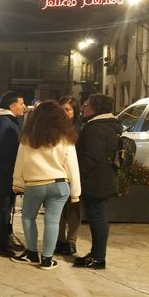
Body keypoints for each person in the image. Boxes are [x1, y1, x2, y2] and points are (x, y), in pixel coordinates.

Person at [10, 101, 81, 270]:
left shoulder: (27, 137)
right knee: (52, 222)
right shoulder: (66, 138)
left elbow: (20, 162)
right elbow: (72, 166)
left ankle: (32, 252)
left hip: (35, 184)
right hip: (59, 185)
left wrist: (17, 183)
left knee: (28, 217)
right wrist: (76, 193)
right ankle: (47, 259)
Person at [74, 94, 121, 270]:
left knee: (98, 218)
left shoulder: (96, 128)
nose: (83, 108)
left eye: (86, 105)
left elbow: (92, 157)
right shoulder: (107, 125)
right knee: (97, 218)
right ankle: (95, 254)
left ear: (95, 108)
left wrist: (78, 174)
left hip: (96, 181)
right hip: (102, 179)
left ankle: (98, 258)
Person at [0, 92, 25, 256]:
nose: (24, 106)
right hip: (2, 175)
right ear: (12, 106)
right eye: (21, 103)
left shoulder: (9, 122)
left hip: (4, 174)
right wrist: (11, 172)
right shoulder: (3, 123)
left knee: (4, 210)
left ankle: (2, 241)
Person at [54, 96, 83, 256]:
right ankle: (59, 240)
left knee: (74, 210)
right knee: (58, 209)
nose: (64, 113)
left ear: (75, 112)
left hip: (76, 174)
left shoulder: (80, 128)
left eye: (68, 109)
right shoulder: (53, 127)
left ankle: (71, 242)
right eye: (62, 109)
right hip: (58, 174)